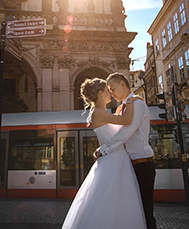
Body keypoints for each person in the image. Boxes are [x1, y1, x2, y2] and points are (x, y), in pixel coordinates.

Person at [62, 78, 146, 229]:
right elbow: (127, 120)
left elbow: (117, 127)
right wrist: (131, 100)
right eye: (108, 91)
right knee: (116, 199)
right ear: (101, 94)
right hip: (114, 160)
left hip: (114, 158)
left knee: (114, 200)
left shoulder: (102, 112)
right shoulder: (99, 113)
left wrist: (120, 109)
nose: (111, 93)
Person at [95, 72, 157, 229]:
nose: (112, 93)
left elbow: (125, 133)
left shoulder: (138, 104)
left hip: (142, 164)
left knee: (145, 211)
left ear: (123, 84)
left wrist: (104, 149)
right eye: (109, 90)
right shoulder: (123, 108)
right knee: (133, 212)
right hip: (129, 165)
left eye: (113, 88)